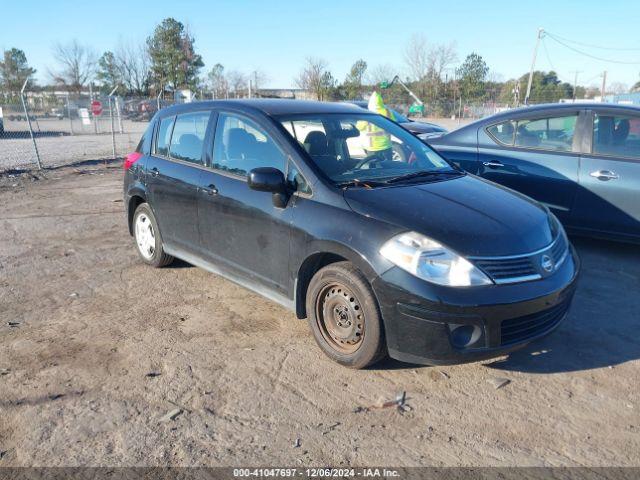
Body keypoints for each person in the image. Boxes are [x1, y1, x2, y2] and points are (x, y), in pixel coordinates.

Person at [357, 91, 397, 161]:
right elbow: (394, 124)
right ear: (380, 101)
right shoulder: (387, 112)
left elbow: (359, 127)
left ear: (370, 103)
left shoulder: (368, 113)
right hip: (386, 146)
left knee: (374, 170)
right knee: (388, 169)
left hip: (372, 148)